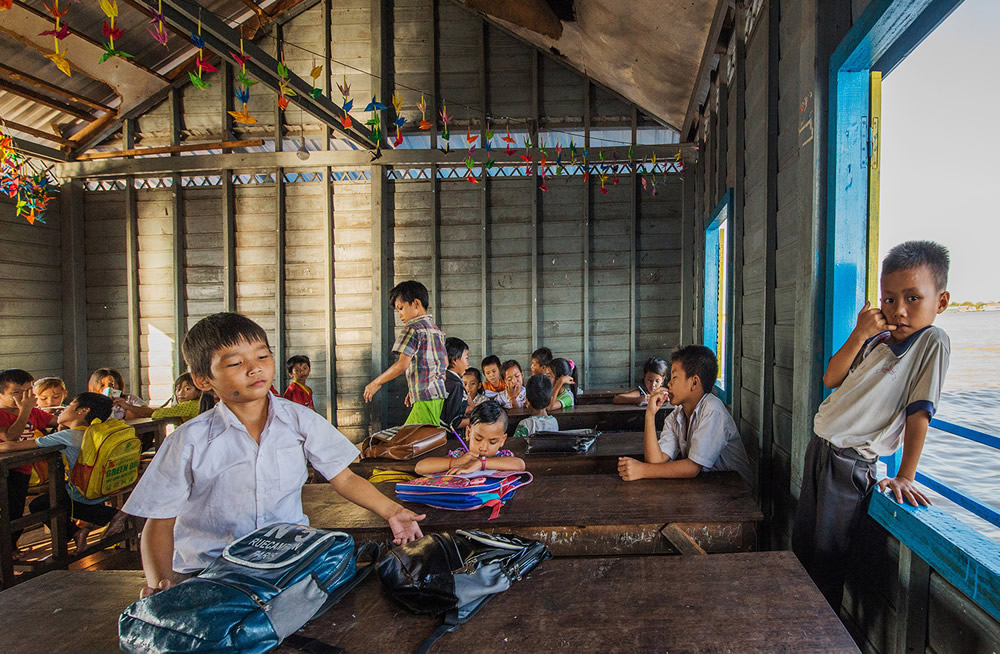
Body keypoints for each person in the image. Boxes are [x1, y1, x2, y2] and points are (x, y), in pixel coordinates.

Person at [122, 312, 425, 599]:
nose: (255, 369)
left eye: (262, 356)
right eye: (235, 363)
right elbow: (159, 522)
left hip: (286, 564)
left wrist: (393, 512)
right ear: (203, 379)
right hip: (208, 572)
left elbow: (344, 477)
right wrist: (159, 583)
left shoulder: (298, 420)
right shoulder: (189, 441)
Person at [793, 240, 951, 608]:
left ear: (940, 301)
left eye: (913, 298)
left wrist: (907, 475)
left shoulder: (931, 343)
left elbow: (919, 414)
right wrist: (860, 333)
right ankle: (799, 626)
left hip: (850, 464)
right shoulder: (877, 340)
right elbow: (832, 378)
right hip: (820, 450)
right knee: (803, 552)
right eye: (890, 299)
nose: (899, 311)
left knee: (828, 562)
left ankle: (820, 637)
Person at [0, 392, 121, 552]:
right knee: (54, 500)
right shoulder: (97, 430)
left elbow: (10, 446)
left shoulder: (68, 435)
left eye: (70, 405)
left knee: (43, 504)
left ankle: (114, 516)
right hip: (103, 487)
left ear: (82, 411)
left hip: (81, 492)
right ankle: (79, 532)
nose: (63, 408)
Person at [617, 345, 751, 486]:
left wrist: (642, 470)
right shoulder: (676, 416)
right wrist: (650, 414)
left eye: (675, 377)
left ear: (694, 382)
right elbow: (656, 461)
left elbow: (692, 468)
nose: (669, 383)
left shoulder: (713, 410)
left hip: (736, 494)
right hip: (708, 488)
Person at [364, 280, 448, 426]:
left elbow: (402, 365)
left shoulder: (412, 329)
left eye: (401, 308)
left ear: (416, 303)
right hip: (438, 394)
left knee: (412, 442)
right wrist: (415, 389)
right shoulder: (436, 331)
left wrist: (376, 383)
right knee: (425, 437)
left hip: (425, 397)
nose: (400, 315)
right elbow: (444, 363)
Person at [0, 369, 58, 556]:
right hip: (4, 471)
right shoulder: (4, 414)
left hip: (23, 469)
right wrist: (24, 410)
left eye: (27, 392)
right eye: (16, 393)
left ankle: (10, 548)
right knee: (5, 512)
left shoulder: (33, 412)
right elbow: (11, 436)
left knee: (16, 512)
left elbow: (56, 420)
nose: (23, 397)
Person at [414, 401, 525, 475]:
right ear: (468, 433)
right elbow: (420, 467)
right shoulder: (461, 456)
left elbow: (520, 464)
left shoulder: (502, 457)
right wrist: (456, 462)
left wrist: (480, 463)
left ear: (502, 440)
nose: (483, 447)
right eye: (478, 439)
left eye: (492, 442)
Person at [126, 373, 204, 424]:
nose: (181, 393)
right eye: (178, 389)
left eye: (187, 389)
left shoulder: (188, 405)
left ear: (199, 391)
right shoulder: (200, 403)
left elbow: (157, 414)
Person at [441, 337, 471, 430]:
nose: (468, 363)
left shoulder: (444, 378)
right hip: (451, 439)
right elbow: (454, 423)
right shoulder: (456, 385)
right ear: (454, 360)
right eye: (466, 358)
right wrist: (477, 420)